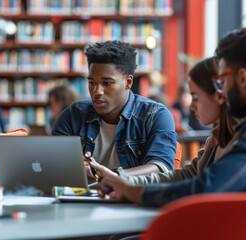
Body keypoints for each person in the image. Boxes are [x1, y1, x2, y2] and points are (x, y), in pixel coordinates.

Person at [94, 24, 246, 239]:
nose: (221, 92)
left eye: (221, 81)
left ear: (243, 78)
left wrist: (131, 190)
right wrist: (128, 185)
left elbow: (208, 190)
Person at [91, 57, 237, 183]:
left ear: (219, 96)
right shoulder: (217, 138)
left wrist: (126, 184)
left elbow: (200, 186)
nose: (191, 106)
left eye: (196, 98)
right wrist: (122, 181)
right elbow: (188, 175)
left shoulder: (235, 143)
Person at [52, 40, 177, 176]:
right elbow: (52, 164)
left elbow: (160, 168)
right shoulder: (73, 115)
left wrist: (113, 176)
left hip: (129, 196)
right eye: (92, 82)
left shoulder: (155, 115)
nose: (97, 91)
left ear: (128, 82)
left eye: (107, 83)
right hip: (79, 196)